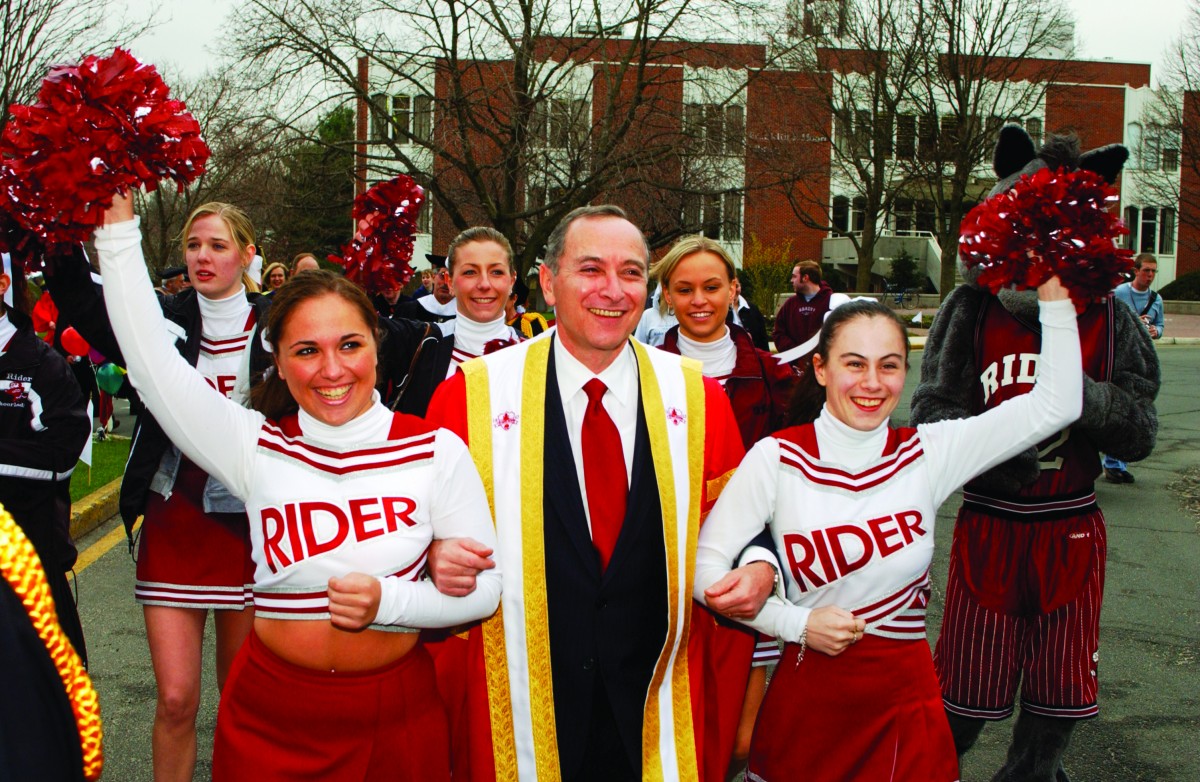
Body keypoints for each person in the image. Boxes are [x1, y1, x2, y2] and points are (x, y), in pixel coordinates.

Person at [94, 192, 501, 781]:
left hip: (398, 717)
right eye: (306, 351)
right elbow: (152, 363)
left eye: (350, 345)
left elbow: (487, 592)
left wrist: (392, 601)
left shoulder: (434, 449)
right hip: (270, 719)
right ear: (279, 363)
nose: (331, 370)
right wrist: (116, 229)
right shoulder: (255, 446)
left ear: (376, 349)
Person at [423, 205, 772, 782]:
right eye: (590, 269)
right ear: (547, 282)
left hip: (654, 698)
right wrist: (434, 556)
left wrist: (760, 566)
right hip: (520, 698)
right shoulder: (470, 399)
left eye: (632, 272)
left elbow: (739, 527)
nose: (613, 290)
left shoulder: (699, 400)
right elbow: (424, 535)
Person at [694, 276, 1084, 781]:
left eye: (890, 366)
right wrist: (794, 624)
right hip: (808, 705)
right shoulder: (779, 458)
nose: (872, 383)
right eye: (854, 364)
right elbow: (705, 571)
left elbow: (1056, 405)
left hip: (904, 703)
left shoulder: (928, 452)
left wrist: (1055, 298)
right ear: (821, 368)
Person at [911, 128, 1161, 782]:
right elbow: (932, 413)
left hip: (1070, 530)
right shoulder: (971, 308)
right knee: (960, 700)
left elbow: (1139, 430)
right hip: (990, 524)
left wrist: (1083, 400)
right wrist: (992, 455)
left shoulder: (1111, 316)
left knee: (1057, 706)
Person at [43, 201, 272, 782]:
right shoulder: (160, 318)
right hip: (176, 517)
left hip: (252, 526)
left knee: (240, 701)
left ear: (248, 254)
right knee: (175, 700)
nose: (201, 256)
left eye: (218, 245)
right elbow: (83, 304)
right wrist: (64, 226)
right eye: (194, 245)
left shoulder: (278, 323)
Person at [650, 236, 796, 769]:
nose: (700, 300)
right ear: (666, 295)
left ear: (734, 289)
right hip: (659, 571)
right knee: (666, 725)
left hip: (745, 568)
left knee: (738, 741)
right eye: (684, 289)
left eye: (712, 286)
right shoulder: (637, 369)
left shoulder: (776, 378)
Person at [0, 261, 91, 668]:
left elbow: (62, 454)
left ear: (2, 283)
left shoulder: (40, 363)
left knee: (35, 711)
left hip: (25, 561)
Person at [385, 227, 521, 416]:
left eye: (496, 272)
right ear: (449, 281)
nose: (484, 284)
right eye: (470, 272)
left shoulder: (536, 354)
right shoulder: (418, 344)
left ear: (512, 280)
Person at [1104, 252, 1163, 483]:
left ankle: (1117, 462)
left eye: (1153, 271)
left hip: (1141, 366)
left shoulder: (1156, 299)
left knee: (1133, 410)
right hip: (1117, 361)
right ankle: (1112, 464)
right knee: (1116, 408)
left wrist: (1155, 331)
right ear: (1136, 271)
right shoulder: (1119, 294)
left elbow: (1160, 326)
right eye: (1146, 270)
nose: (1150, 275)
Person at [771, 260, 833, 354]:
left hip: (822, 363)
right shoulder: (790, 304)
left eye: (794, 276)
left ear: (805, 278)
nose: (791, 280)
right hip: (794, 364)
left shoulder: (831, 302)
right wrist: (796, 353)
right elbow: (778, 333)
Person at [729, 273, 769, 351]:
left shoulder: (753, 309)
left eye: (737, 286)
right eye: (730, 287)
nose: (734, 290)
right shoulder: (719, 311)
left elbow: (763, 340)